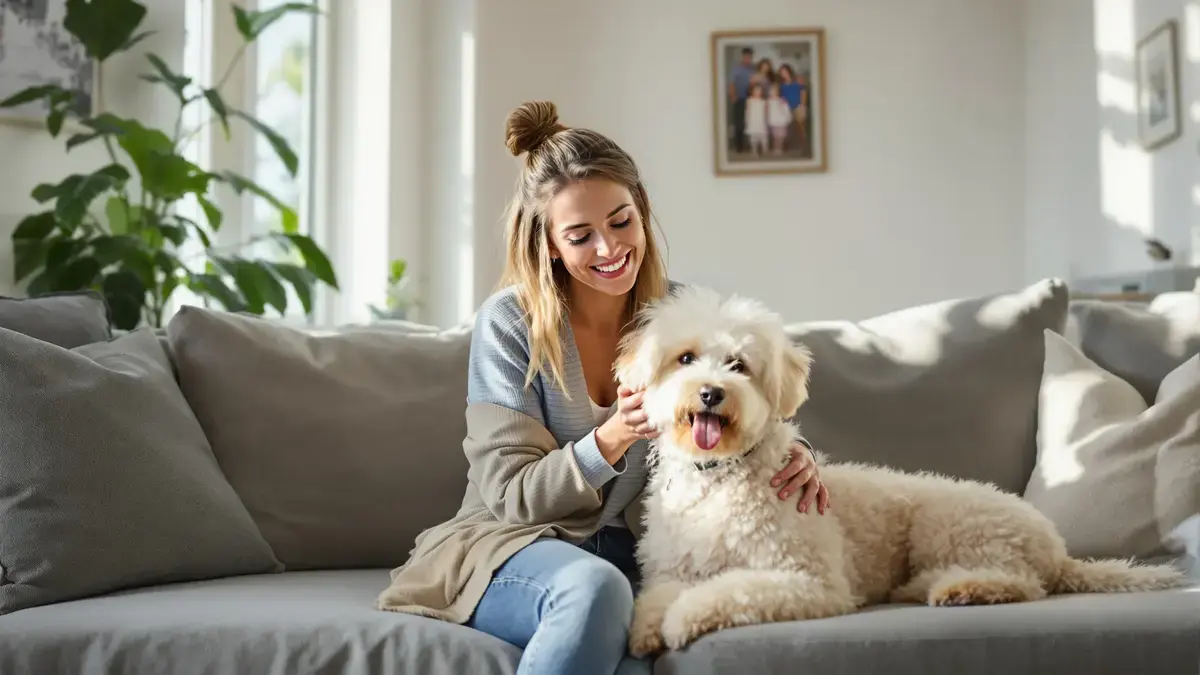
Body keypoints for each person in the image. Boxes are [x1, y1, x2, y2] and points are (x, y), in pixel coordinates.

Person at [377, 100, 831, 675]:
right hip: (509, 546)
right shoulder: (510, 323)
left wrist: (796, 455)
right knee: (595, 592)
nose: (609, 249)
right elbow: (512, 499)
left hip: (634, 553)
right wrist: (611, 438)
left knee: (645, 651)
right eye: (580, 235)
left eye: (621, 221)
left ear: (641, 210)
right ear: (548, 244)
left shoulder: (678, 317)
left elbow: (747, 395)